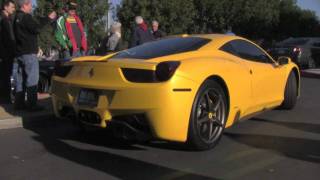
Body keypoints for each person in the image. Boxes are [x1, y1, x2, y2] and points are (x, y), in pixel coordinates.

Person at [13, 0, 56, 111]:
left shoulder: (16, 17)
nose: (31, 7)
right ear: (25, 5)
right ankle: (32, 105)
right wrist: (49, 18)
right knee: (32, 79)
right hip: (28, 53)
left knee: (20, 80)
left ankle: (19, 103)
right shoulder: (26, 17)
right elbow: (36, 28)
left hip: (19, 53)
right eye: (30, 5)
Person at [0, 0, 16, 104]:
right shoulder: (3, 20)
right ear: (5, 7)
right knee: (4, 77)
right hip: (4, 54)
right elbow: (9, 38)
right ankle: (5, 99)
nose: (13, 9)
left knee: (5, 76)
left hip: (6, 53)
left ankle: (5, 98)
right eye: (12, 7)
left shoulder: (7, 19)